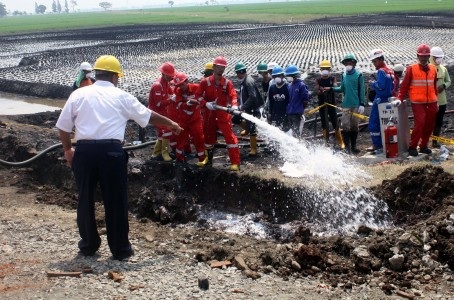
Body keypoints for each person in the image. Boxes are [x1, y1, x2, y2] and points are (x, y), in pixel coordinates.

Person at [56, 55, 182, 261]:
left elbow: (63, 126)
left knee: (85, 198)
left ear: (97, 74)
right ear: (115, 76)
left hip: (85, 152)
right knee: (116, 200)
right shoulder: (122, 96)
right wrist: (171, 124)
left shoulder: (79, 94)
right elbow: (148, 116)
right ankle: (120, 249)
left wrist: (68, 150)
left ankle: (88, 246)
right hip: (111, 153)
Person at [195, 56, 241, 171]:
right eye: (219, 67)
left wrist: (234, 105)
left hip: (222, 114)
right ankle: (208, 161)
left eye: (223, 68)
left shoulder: (227, 83)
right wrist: (205, 104)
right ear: (214, 67)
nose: (221, 70)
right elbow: (198, 95)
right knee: (208, 137)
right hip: (209, 114)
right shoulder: (205, 82)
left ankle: (235, 162)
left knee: (230, 137)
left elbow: (233, 95)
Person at [392, 44, 438, 156]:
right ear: (417, 56)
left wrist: (436, 101)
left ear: (429, 56)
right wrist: (399, 98)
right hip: (418, 102)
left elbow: (434, 86)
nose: (423, 58)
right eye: (421, 56)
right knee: (420, 124)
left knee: (429, 125)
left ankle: (423, 146)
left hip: (432, 102)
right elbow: (404, 87)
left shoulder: (433, 69)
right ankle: (413, 146)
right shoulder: (411, 69)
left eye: (426, 56)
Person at [333, 53, 365, 154]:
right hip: (346, 104)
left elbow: (362, 90)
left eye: (350, 62)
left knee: (354, 125)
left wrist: (362, 104)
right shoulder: (343, 75)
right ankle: (347, 147)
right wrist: (331, 88)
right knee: (345, 125)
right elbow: (342, 88)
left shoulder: (359, 75)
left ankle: (353, 146)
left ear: (354, 63)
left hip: (356, 105)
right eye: (346, 62)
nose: (348, 64)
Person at [173, 72, 207, 166]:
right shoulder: (178, 90)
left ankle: (202, 159)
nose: (181, 87)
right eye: (179, 85)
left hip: (195, 120)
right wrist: (186, 104)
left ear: (187, 81)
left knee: (199, 138)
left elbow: (203, 98)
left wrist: (198, 103)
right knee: (180, 139)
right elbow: (179, 104)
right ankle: (179, 159)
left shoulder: (196, 88)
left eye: (182, 84)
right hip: (183, 120)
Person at [367, 49, 395, 154]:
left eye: (374, 61)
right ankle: (385, 143)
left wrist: (373, 83)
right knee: (387, 123)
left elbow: (380, 85)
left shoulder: (381, 71)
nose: (374, 64)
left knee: (374, 122)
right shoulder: (390, 71)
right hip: (389, 99)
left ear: (380, 59)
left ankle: (376, 144)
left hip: (380, 99)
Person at [233, 62, 264, 156]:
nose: (237, 75)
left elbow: (253, 97)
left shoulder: (248, 81)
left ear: (240, 72)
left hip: (253, 109)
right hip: (247, 108)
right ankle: (247, 129)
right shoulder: (244, 81)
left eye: (237, 73)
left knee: (252, 128)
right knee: (235, 119)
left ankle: (253, 149)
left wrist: (242, 107)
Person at [148, 62, 176, 161]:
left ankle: (156, 153)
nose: (171, 78)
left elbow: (171, 92)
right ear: (164, 74)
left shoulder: (166, 83)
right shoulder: (157, 86)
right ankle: (165, 152)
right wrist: (171, 99)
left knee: (162, 133)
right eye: (170, 76)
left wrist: (175, 93)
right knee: (166, 130)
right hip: (155, 113)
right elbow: (158, 104)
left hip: (162, 112)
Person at [315, 59, 344, 149]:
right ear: (320, 69)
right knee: (324, 123)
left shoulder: (332, 78)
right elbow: (317, 91)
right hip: (322, 104)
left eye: (327, 68)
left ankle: (340, 141)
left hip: (331, 103)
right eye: (323, 68)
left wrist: (327, 88)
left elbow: (335, 87)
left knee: (335, 122)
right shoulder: (318, 80)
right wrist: (321, 90)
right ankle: (326, 142)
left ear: (329, 69)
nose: (325, 70)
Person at [430, 47, 451, 148]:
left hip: (442, 101)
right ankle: (425, 141)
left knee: (439, 121)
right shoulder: (428, 69)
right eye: (436, 57)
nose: (439, 59)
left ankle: (435, 141)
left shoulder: (443, 69)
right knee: (429, 121)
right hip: (430, 100)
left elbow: (448, 81)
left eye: (440, 57)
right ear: (431, 57)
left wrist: (444, 86)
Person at [284, 64, 309, 138]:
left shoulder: (301, 85)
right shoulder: (289, 85)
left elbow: (305, 100)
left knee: (296, 132)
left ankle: (297, 147)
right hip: (289, 112)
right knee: (290, 132)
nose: (287, 77)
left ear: (294, 75)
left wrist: (300, 110)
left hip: (296, 113)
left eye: (289, 75)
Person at [268, 65, 290, 131]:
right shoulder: (272, 88)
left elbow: (290, 101)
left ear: (283, 76)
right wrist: (270, 113)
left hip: (285, 114)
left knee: (285, 132)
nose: (277, 78)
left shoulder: (287, 87)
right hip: (275, 114)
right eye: (275, 76)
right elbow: (271, 102)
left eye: (279, 76)